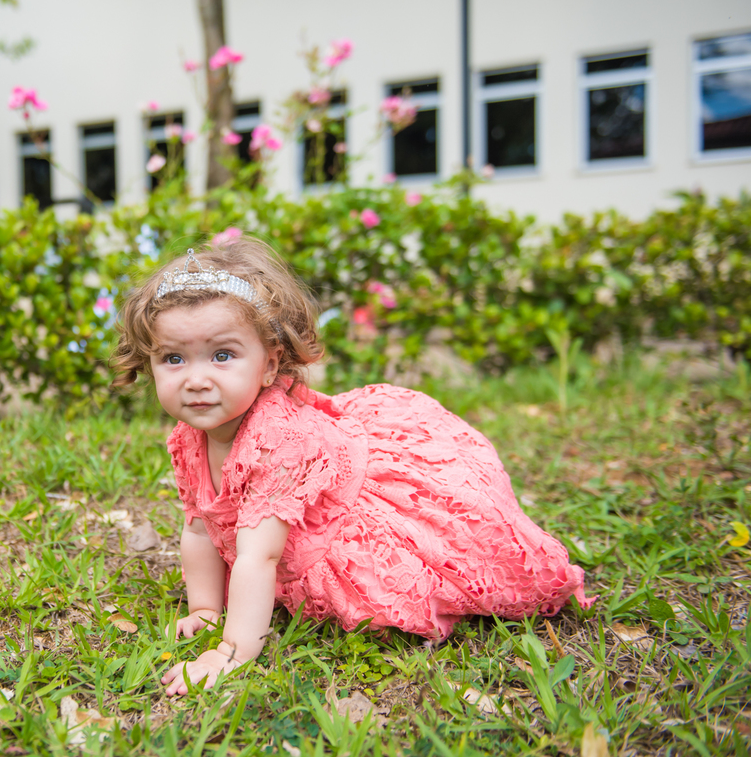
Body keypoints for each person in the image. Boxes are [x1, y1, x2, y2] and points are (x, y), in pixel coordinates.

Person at [111, 236, 591, 696]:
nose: (196, 380)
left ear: (270, 364)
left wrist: (231, 653)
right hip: (276, 530)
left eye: (222, 356)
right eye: (173, 358)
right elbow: (199, 528)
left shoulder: (277, 440)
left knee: (429, 573)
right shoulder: (189, 436)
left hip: (342, 518)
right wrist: (205, 609)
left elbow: (260, 557)